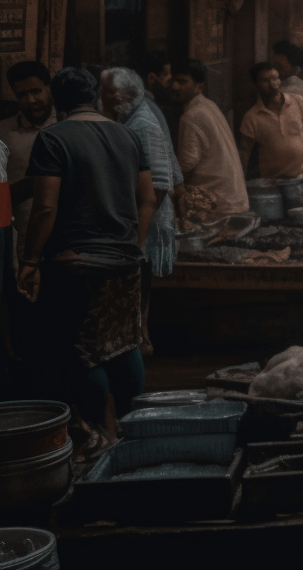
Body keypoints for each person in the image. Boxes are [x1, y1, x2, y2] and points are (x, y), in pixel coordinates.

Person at [18, 67, 156, 446]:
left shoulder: (52, 138)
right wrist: (136, 247)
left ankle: (99, 433)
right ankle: (135, 429)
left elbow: (45, 207)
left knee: (81, 351)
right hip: (125, 261)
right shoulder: (127, 135)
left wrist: (29, 262)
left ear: (57, 102)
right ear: (95, 97)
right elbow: (148, 198)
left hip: (75, 262)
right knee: (123, 343)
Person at [101, 68, 180, 291]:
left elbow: (159, 186)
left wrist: (138, 242)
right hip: (135, 229)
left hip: (144, 230)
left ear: (120, 96)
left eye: (108, 92)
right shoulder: (129, 118)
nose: (103, 97)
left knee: (135, 301)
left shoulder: (143, 125)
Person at [238, 62, 303, 187]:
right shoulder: (252, 117)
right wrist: (241, 186)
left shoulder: (298, 102)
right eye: (265, 80)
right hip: (271, 185)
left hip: (301, 180)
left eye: (275, 78)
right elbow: (244, 153)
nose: (272, 84)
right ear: (256, 85)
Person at [170, 60, 248, 213]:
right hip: (234, 199)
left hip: (219, 203)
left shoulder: (192, 115)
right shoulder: (208, 105)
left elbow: (187, 165)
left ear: (199, 86)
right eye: (174, 80)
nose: (174, 86)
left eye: (182, 82)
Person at [2, 62, 58, 242]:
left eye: (36, 91)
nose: (30, 100)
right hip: (20, 241)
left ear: (48, 88)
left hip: (65, 240)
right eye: (22, 95)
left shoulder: (68, 127)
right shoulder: (3, 134)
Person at [270, 40, 303, 108]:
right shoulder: (288, 84)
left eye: (279, 67)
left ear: (293, 66)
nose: (275, 71)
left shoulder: (293, 91)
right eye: (274, 66)